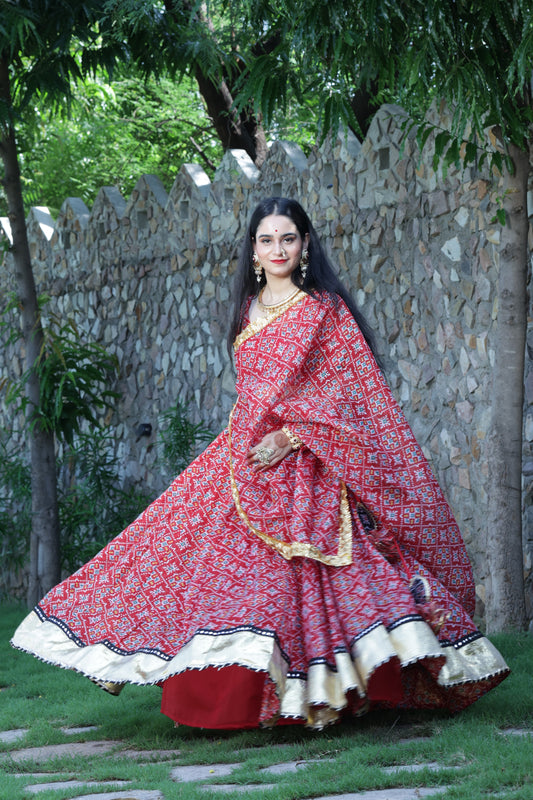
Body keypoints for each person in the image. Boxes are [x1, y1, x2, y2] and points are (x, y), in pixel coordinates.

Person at [12, 197, 509, 730]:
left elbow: (349, 395)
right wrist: (251, 442)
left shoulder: (324, 310)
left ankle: (328, 695)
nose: (278, 249)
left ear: (305, 244)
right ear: (253, 249)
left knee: (317, 580)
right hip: (240, 462)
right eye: (267, 239)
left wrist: (292, 435)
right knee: (200, 565)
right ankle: (235, 704)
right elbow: (251, 393)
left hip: (309, 465)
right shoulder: (246, 310)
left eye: (288, 238)